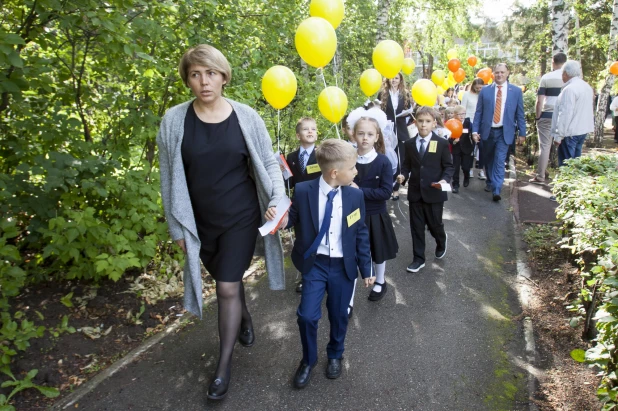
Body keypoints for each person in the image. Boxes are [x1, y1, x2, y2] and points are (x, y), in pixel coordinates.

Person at [157, 44, 286, 400]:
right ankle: (243, 318)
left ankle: (223, 367)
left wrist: (278, 199)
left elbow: (270, 163)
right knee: (226, 280)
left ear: (224, 76)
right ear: (187, 79)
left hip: (240, 217)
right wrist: (177, 228)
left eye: (210, 73)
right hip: (199, 222)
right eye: (195, 74)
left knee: (227, 287)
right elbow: (168, 178)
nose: (203, 82)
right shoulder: (173, 121)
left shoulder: (246, 117)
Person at [285, 139, 374, 388]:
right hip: (316, 264)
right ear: (335, 172)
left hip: (343, 267)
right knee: (306, 316)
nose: (356, 171)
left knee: (339, 315)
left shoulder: (355, 195)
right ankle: (308, 359)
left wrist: (366, 268)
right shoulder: (304, 191)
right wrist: (277, 217)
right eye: (353, 168)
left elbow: (361, 233)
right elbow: (290, 219)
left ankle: (335, 353)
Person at [346, 113, 398, 307]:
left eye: (369, 134)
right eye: (361, 133)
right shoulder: (348, 159)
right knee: (350, 254)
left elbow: (385, 192)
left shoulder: (383, 162)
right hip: (351, 216)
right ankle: (348, 299)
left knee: (377, 250)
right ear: (354, 135)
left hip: (374, 214)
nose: (365, 138)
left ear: (377, 137)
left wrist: (360, 191)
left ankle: (380, 280)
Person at [397, 107, 454, 273]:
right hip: (415, 192)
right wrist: (403, 175)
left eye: (428, 121)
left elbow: (448, 166)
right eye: (420, 121)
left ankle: (441, 239)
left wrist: (444, 179)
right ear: (415, 122)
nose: (423, 125)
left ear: (434, 123)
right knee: (416, 226)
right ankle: (418, 258)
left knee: (435, 224)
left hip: (434, 192)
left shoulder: (441, 143)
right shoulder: (409, 144)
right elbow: (407, 165)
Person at [472, 63, 526, 201]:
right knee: (488, 158)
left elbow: (520, 113)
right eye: (497, 72)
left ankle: (497, 189)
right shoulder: (485, 91)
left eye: (502, 72)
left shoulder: (516, 91)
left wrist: (522, 132)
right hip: (488, 131)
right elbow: (479, 113)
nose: (499, 75)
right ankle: (490, 181)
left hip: (504, 131)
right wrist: (474, 131)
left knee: (500, 160)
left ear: (507, 73)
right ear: (493, 74)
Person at [284, 117, 322, 294]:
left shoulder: (322, 155)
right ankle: (304, 275)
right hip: (299, 207)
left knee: (318, 239)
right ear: (298, 135)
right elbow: (289, 183)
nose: (310, 132)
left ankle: (321, 274)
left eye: (313, 129)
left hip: (317, 203)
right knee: (302, 241)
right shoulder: (291, 157)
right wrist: (282, 171)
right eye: (306, 129)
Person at [549, 60, 594, 200]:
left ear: (566, 74)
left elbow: (565, 114)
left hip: (569, 133)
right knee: (575, 162)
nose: (562, 76)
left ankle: (563, 194)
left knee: (566, 164)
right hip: (581, 130)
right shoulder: (586, 87)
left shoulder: (569, 89)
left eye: (563, 73)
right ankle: (574, 192)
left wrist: (558, 135)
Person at [529, 52, 567, 184]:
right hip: (563, 115)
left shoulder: (546, 77)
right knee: (564, 145)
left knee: (545, 146)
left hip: (547, 114)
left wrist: (538, 117)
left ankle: (540, 176)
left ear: (553, 62)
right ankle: (564, 177)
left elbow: (539, 100)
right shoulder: (568, 78)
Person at [379, 72, 412, 201]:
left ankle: (396, 188)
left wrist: (405, 114)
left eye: (396, 78)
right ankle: (387, 185)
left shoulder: (405, 94)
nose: (394, 80)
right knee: (387, 158)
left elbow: (410, 112)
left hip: (401, 130)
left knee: (400, 159)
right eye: (391, 77)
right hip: (387, 131)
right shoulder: (382, 94)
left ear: (400, 80)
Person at [463, 78, 485, 179]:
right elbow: (463, 109)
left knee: (482, 147)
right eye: (477, 88)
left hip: (481, 123)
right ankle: (470, 169)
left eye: (481, 88)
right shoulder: (467, 94)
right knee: (471, 147)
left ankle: (481, 170)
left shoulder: (484, 95)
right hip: (469, 122)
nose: (479, 90)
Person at [449, 106, 474, 194]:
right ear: (455, 115)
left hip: (467, 149)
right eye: (459, 114)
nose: (462, 116)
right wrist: (454, 142)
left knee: (465, 167)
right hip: (456, 149)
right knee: (455, 168)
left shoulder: (468, 123)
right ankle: (455, 185)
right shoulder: (452, 124)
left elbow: (473, 135)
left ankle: (466, 176)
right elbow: (449, 137)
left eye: (463, 114)